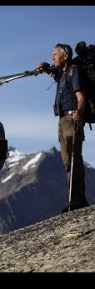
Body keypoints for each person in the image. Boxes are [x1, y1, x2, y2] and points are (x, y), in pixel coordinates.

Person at [36, 43, 89, 214]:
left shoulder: (73, 71)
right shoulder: (63, 73)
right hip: (62, 120)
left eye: (55, 54)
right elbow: (53, 72)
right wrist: (45, 67)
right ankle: (76, 198)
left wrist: (79, 112)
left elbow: (81, 96)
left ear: (65, 56)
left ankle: (77, 199)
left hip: (71, 118)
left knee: (74, 159)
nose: (53, 57)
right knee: (68, 161)